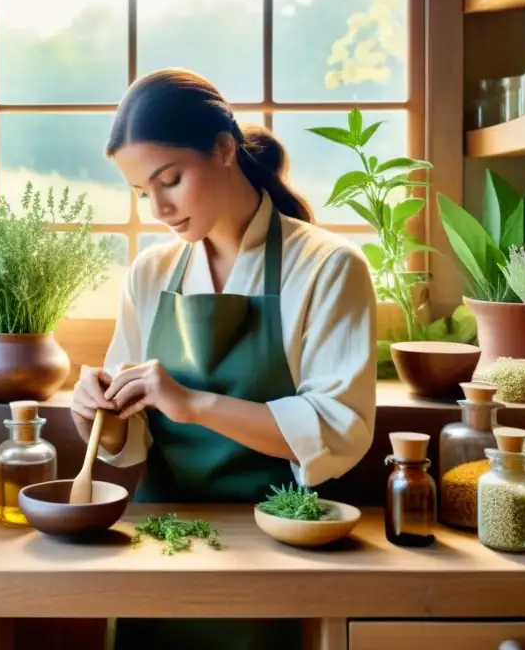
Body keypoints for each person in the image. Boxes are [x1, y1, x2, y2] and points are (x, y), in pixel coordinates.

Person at [71, 68, 377, 650]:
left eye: (170, 180)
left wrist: (194, 404)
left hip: (279, 538)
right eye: (142, 192)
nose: (157, 208)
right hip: (158, 540)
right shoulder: (151, 273)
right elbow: (127, 438)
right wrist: (96, 416)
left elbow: (340, 431)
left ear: (223, 148)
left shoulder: (329, 267)